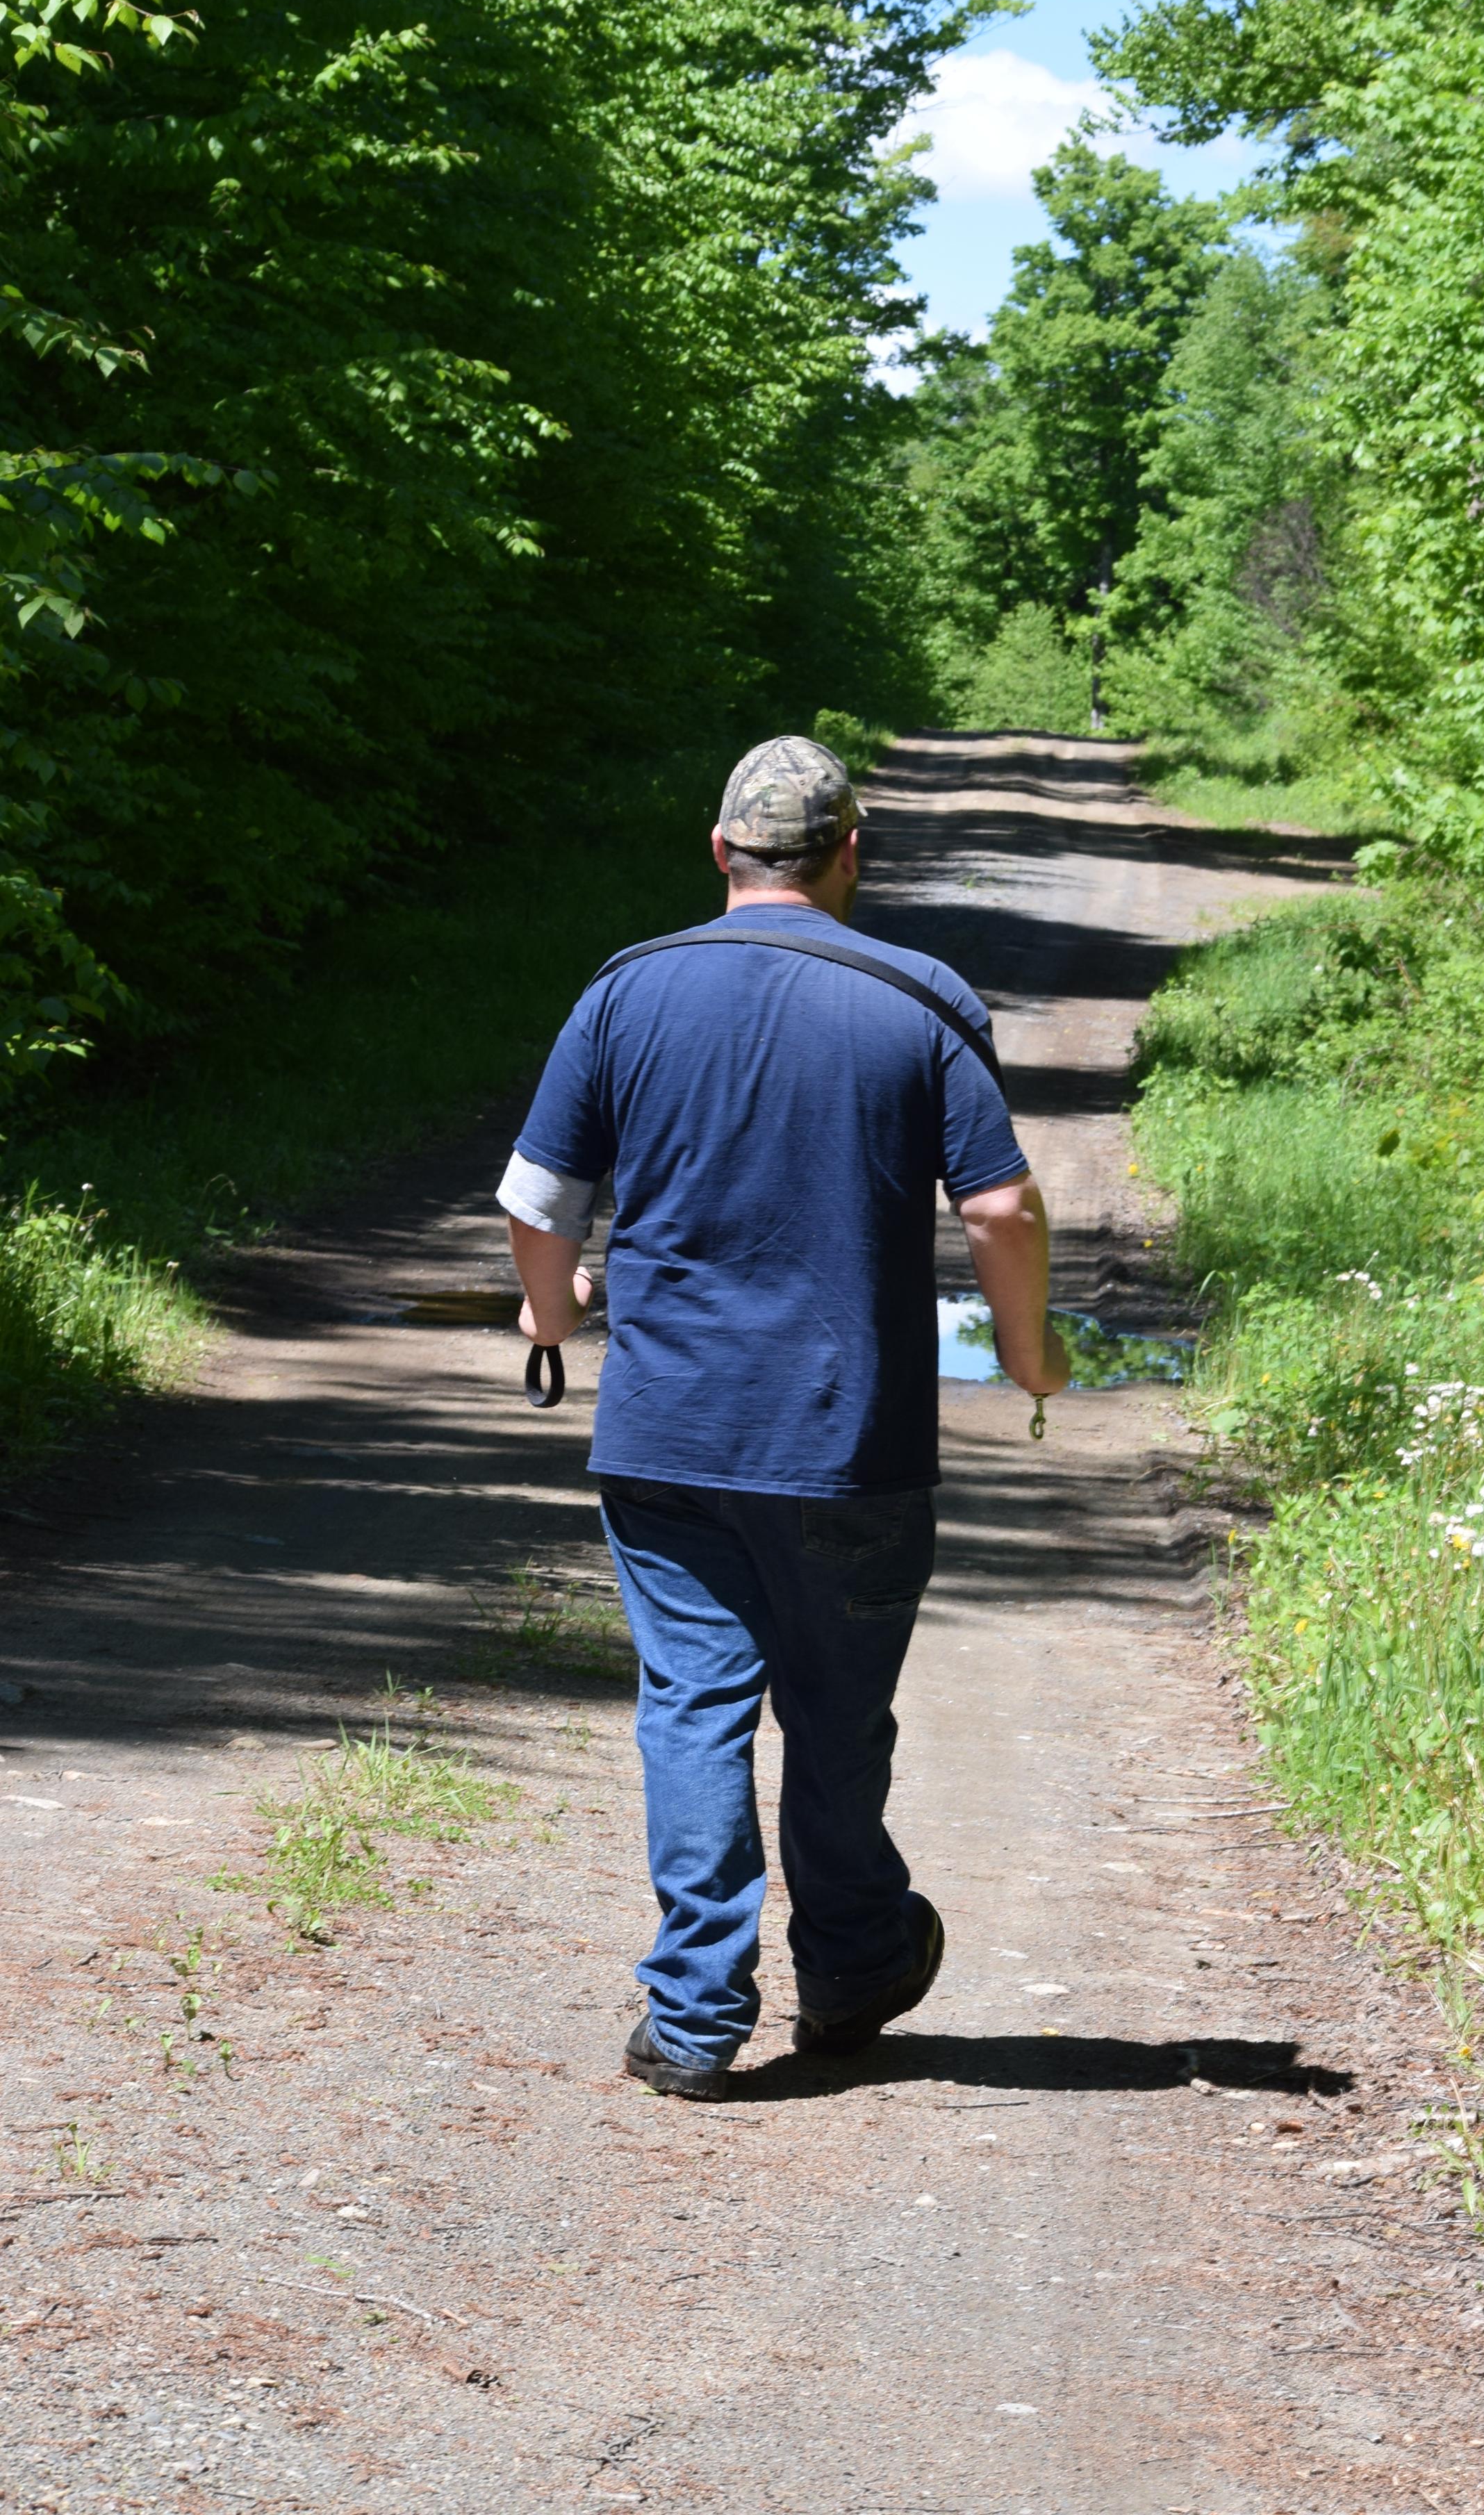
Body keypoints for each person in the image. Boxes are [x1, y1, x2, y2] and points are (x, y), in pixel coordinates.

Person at [497, 734, 1071, 2099]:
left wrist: (554, 1312)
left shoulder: (626, 992)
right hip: (851, 1441)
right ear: (850, 855)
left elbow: (535, 1204)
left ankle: (694, 2017)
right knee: (835, 1713)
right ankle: (859, 1959)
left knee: (694, 1709)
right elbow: (998, 1205)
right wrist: (1030, 1355)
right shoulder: (917, 999)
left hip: (668, 1435)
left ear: (720, 852)